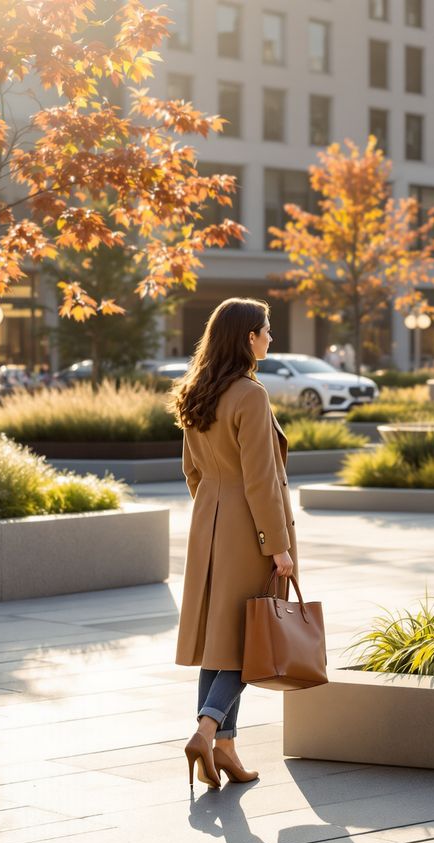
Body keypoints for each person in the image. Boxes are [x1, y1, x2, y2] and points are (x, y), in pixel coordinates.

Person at [171, 297, 297, 791]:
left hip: (209, 526)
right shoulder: (250, 394)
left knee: (220, 644)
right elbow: (261, 481)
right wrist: (277, 545)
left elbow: (191, 470)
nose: (271, 338)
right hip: (248, 530)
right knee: (250, 642)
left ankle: (224, 750)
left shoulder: (196, 390)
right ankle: (205, 732)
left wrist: (210, 513)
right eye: (266, 330)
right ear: (248, 336)